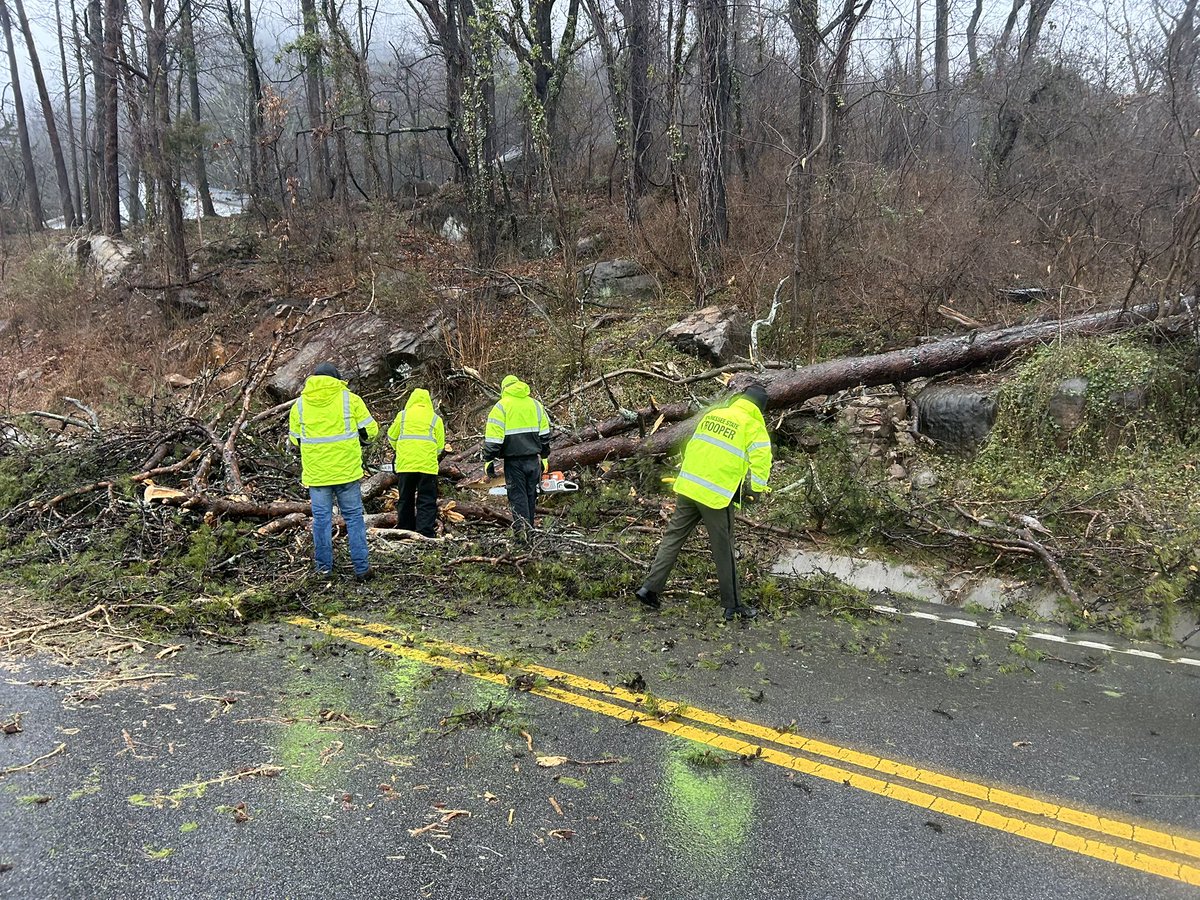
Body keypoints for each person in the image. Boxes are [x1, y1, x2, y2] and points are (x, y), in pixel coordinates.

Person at [635, 384, 772, 621]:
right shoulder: (753, 424)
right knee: (723, 549)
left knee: (673, 537)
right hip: (716, 496)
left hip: (689, 486)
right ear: (760, 408)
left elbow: (693, 446)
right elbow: (762, 461)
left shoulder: (715, 414)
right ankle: (733, 605)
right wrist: (756, 490)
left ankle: (649, 589)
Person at [288, 362, 379, 581]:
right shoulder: (350, 400)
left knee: (321, 521)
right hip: (346, 472)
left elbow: (295, 439)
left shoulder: (299, 406)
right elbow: (371, 431)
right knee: (355, 518)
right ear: (337, 379)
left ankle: (324, 569)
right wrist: (362, 441)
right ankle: (362, 569)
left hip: (318, 475)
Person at [483, 374, 551, 532]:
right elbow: (545, 434)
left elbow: (494, 439)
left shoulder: (501, 407)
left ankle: (523, 538)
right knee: (530, 497)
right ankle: (530, 533)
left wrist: (489, 460)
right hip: (534, 460)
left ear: (504, 389)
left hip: (514, 462)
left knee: (518, 498)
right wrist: (545, 457)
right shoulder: (535, 405)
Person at [387, 388, 445, 538]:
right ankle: (425, 532)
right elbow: (440, 446)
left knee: (405, 498)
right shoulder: (435, 419)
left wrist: (399, 449)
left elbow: (391, 436)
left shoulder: (403, 416)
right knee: (426, 499)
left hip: (406, 465)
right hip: (427, 467)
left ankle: (405, 529)